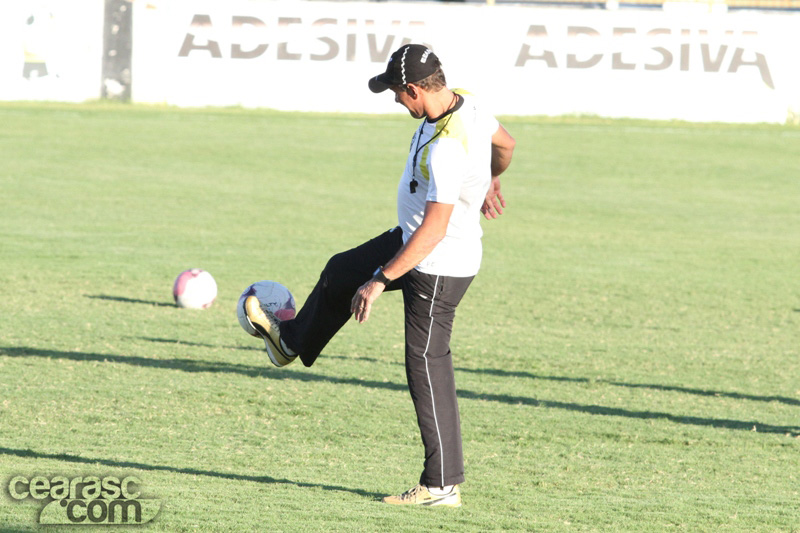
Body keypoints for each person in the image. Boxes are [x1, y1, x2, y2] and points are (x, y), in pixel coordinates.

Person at [244, 44, 515, 507]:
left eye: (395, 92)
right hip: (411, 242)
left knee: (427, 366)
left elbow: (434, 229)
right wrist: (491, 177)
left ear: (414, 88)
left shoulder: (448, 147)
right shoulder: (465, 100)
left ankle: (441, 486)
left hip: (436, 263)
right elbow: (506, 144)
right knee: (339, 272)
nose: (394, 100)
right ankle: (292, 341)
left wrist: (380, 279)